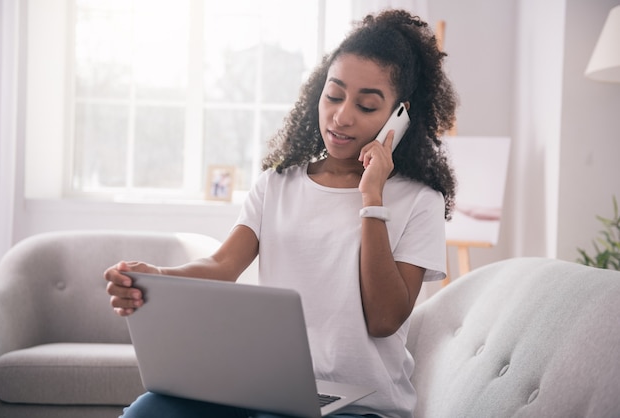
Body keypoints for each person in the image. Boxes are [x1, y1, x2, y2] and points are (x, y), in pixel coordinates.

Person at [105, 9, 457, 418]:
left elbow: (383, 318)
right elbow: (222, 264)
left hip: (363, 408)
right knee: (149, 411)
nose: (342, 116)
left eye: (366, 105)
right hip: (267, 392)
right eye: (334, 95)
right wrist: (157, 278)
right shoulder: (276, 184)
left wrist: (372, 199)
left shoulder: (419, 201)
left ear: (400, 115)